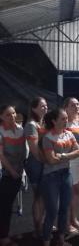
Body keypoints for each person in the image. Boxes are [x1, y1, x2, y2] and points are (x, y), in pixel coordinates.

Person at [41, 108, 79, 246]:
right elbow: (51, 160)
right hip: (51, 177)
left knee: (64, 209)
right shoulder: (47, 138)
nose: (66, 121)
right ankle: (46, 241)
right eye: (63, 119)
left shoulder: (69, 134)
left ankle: (61, 240)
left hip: (66, 174)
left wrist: (62, 156)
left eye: (66, 118)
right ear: (54, 121)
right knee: (52, 211)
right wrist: (68, 155)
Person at [0, 105, 27, 246]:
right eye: (8, 115)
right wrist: (11, 171)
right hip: (6, 174)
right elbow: (1, 156)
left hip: (17, 173)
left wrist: (20, 171)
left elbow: (23, 152)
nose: (12, 117)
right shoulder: (0, 131)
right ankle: (4, 238)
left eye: (14, 113)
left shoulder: (21, 130)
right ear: (1, 117)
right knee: (4, 207)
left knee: (8, 204)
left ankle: (6, 234)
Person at [64, 97, 79, 234]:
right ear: (66, 108)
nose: (76, 107)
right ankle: (66, 223)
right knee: (69, 193)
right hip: (70, 162)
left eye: (78, 104)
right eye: (73, 105)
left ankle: (74, 219)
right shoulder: (63, 121)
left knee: (78, 192)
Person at [24, 97, 48, 238]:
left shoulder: (44, 123)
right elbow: (34, 150)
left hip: (45, 164)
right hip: (36, 165)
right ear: (33, 108)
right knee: (39, 197)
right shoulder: (31, 125)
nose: (45, 108)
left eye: (46, 106)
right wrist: (48, 161)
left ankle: (44, 223)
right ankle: (37, 229)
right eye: (42, 106)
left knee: (44, 197)